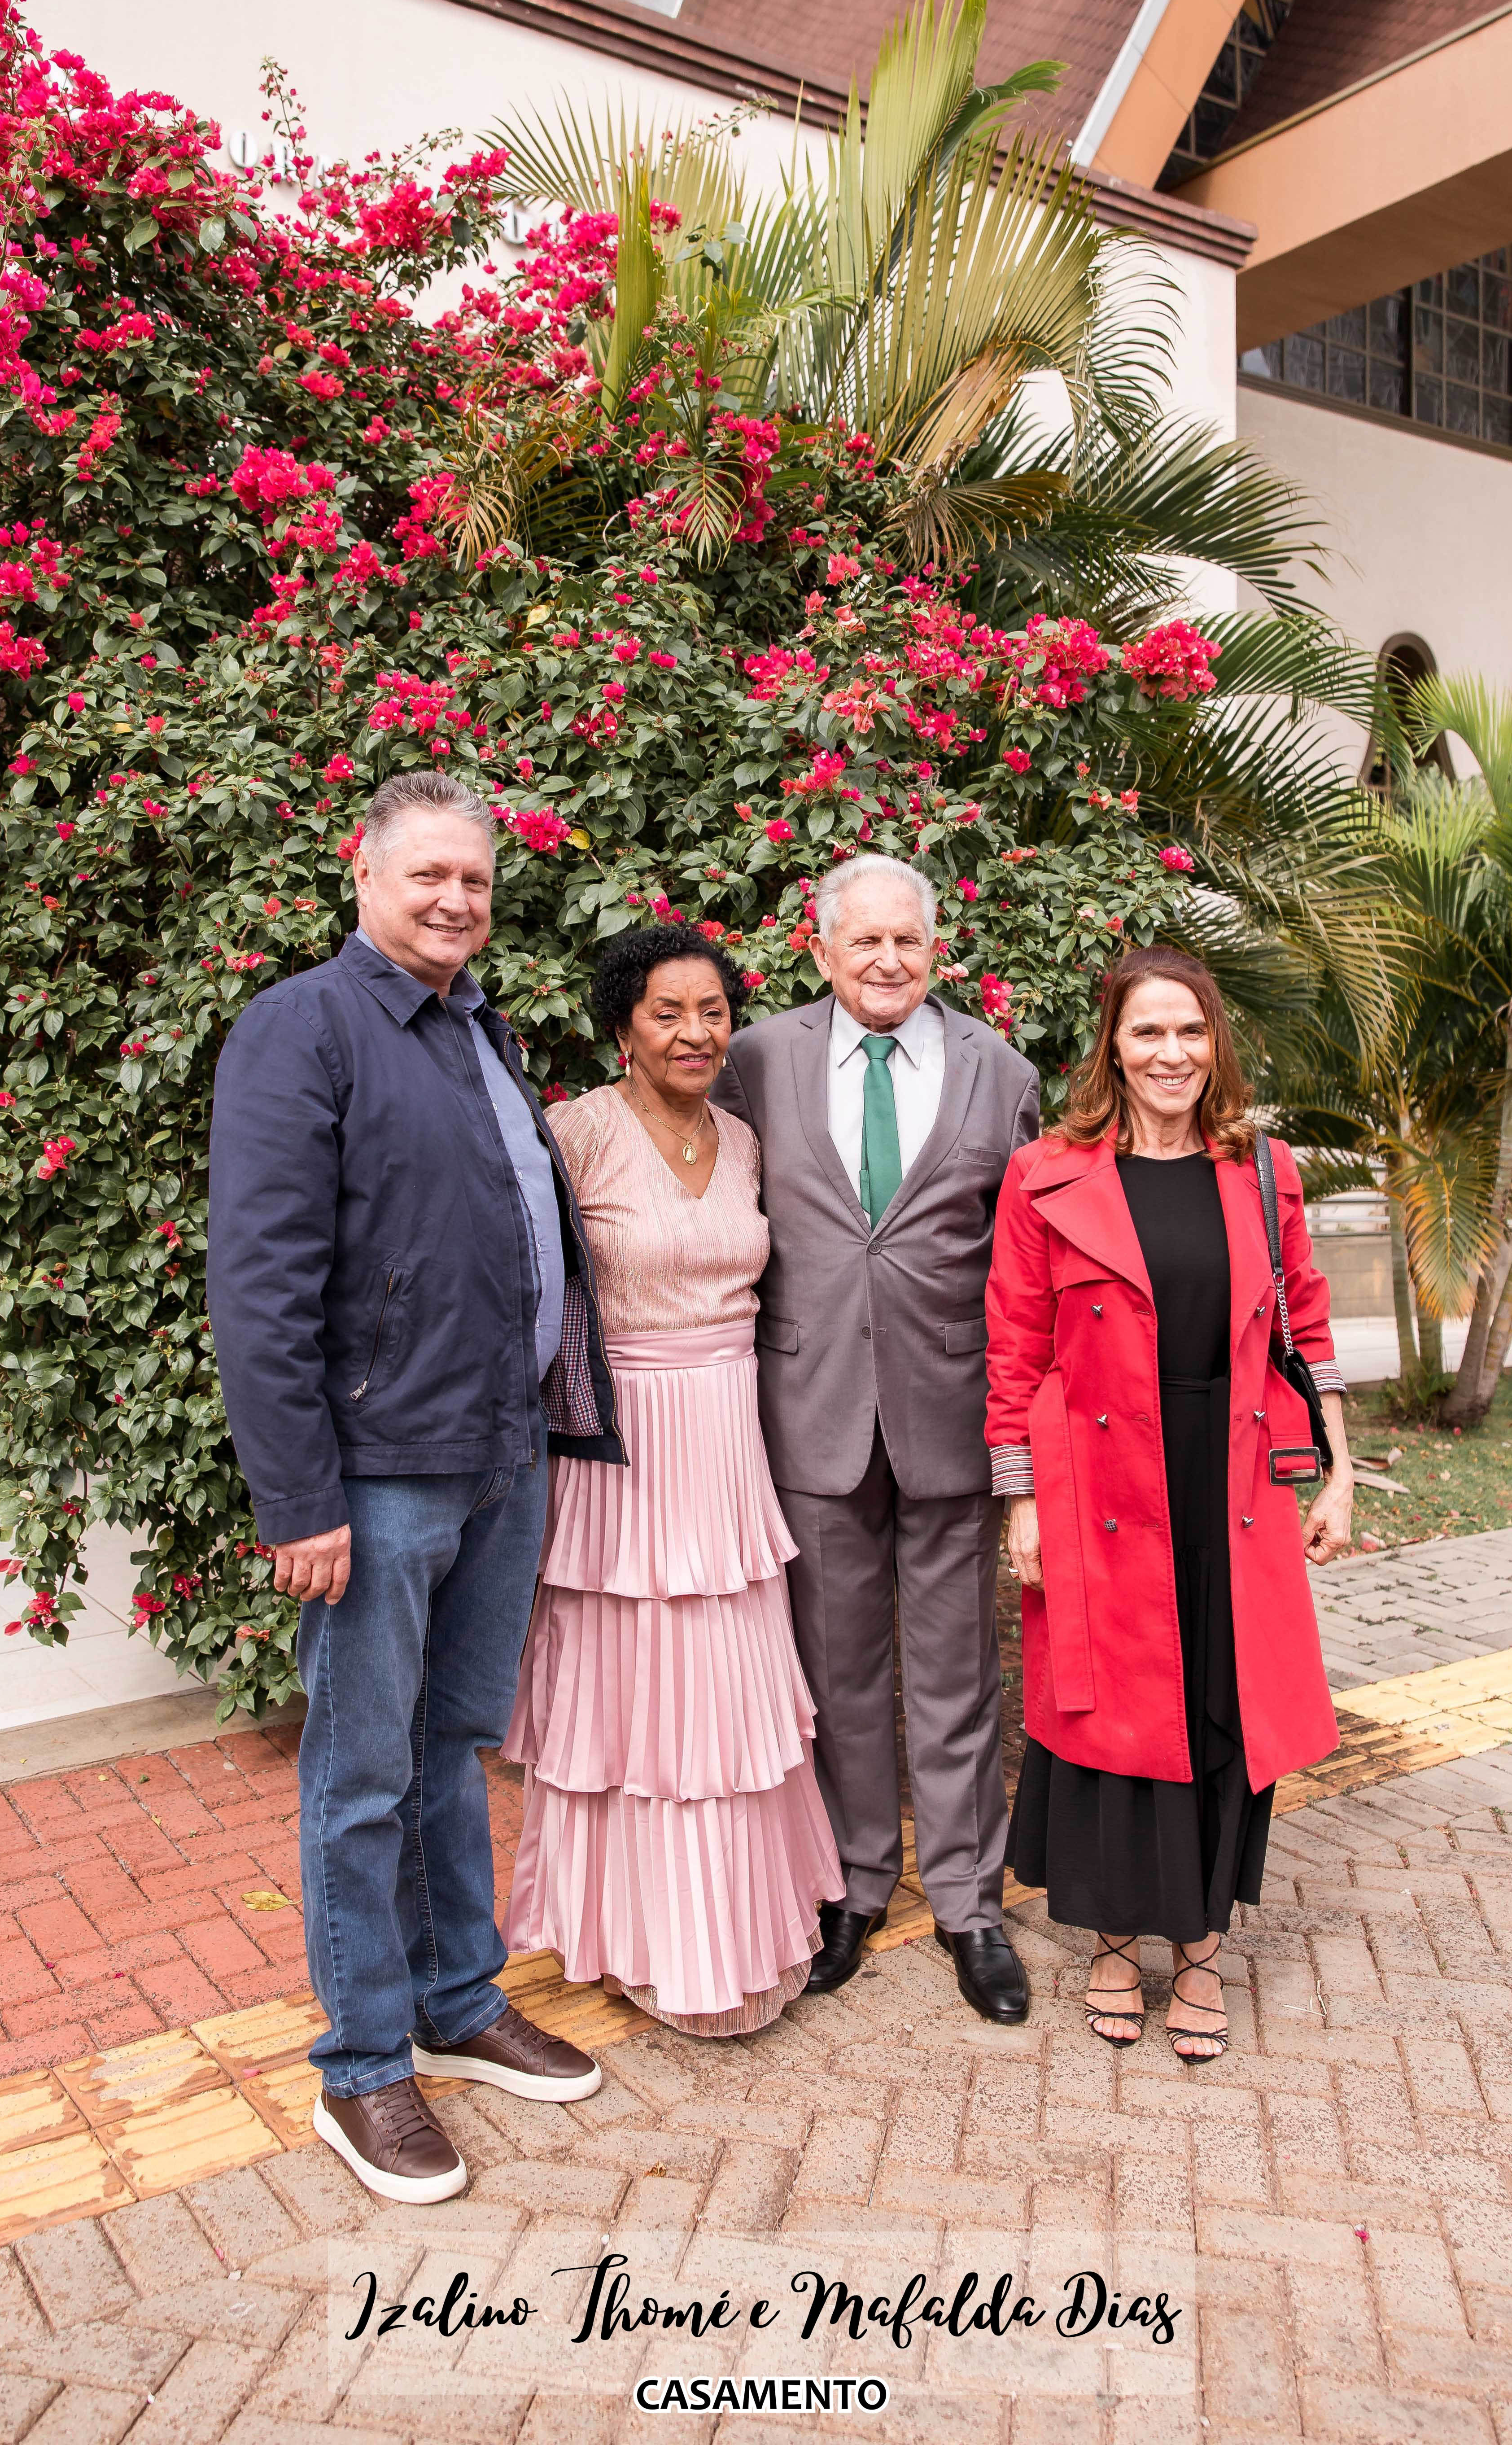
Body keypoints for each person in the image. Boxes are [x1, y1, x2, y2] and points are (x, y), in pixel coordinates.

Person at [207, 769, 620, 2206]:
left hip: (496, 1455)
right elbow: (258, 1286)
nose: (457, 901)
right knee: (362, 1773)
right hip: (375, 1477)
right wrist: (298, 1496)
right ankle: (365, 2065)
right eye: (430, 875)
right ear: (363, 874)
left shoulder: (474, 1027)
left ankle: (458, 1996)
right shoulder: (303, 1027)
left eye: (478, 884)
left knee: (451, 1749)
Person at [984, 944, 1354, 2062]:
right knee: (1106, 1710)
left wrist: (1336, 1469)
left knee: (1219, 1704)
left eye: (1190, 1032)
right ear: (1113, 1044)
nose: (1172, 1053)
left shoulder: (1263, 1171)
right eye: (1148, 1031)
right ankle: (1110, 1941)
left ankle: (1196, 1950)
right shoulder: (1045, 1176)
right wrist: (1024, 1501)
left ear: (1215, 1044)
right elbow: (1013, 1347)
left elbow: (1308, 1330)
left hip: (1231, 1473)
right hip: (1100, 1477)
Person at [711, 855, 1042, 2022]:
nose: (890, 962)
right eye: (867, 944)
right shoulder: (757, 1061)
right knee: (839, 1672)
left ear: (937, 949)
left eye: (909, 942)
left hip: (950, 1413)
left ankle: (968, 1904)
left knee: (956, 1677)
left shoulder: (1001, 1075)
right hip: (810, 1417)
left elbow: (1026, 1269)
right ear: (822, 953)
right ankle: (854, 1884)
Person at [503, 927, 843, 2032]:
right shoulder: (575, 1136)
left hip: (729, 1445)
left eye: (712, 1011)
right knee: (633, 1703)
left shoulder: (746, 1143)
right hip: (622, 1449)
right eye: (667, 1012)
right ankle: (637, 1937)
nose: (695, 1032)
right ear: (622, 1026)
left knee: (731, 1695)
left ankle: (736, 1934)